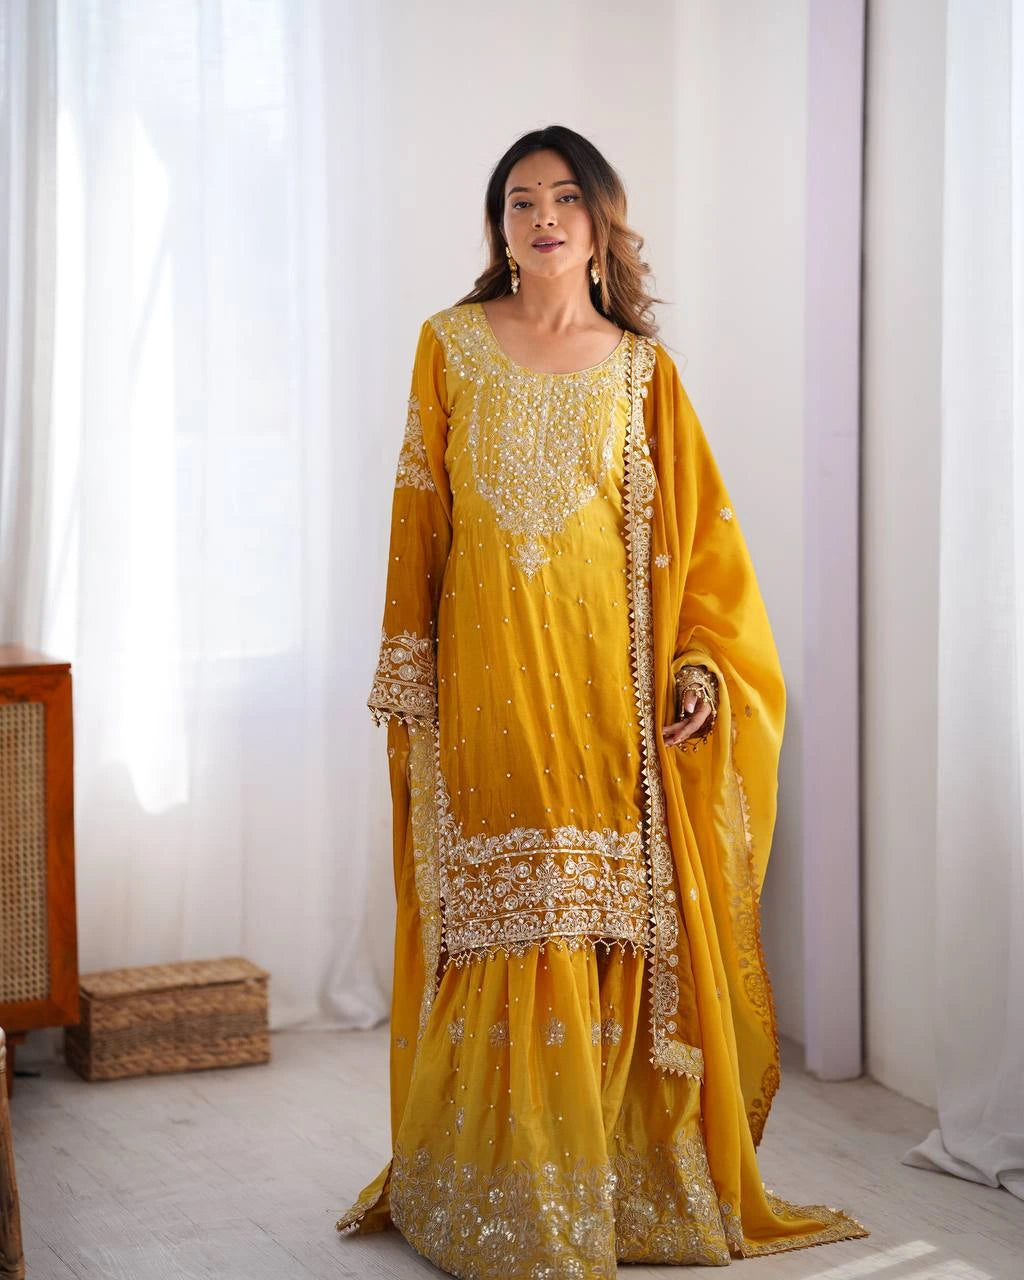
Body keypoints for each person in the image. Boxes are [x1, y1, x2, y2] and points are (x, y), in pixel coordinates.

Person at [336, 124, 868, 1276]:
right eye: (519, 201)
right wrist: (407, 676)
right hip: (483, 679)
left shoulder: (642, 368)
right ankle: (498, 1187)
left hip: (604, 695)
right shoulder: (449, 345)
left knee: (606, 910)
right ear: (500, 227)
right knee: (505, 909)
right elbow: (418, 517)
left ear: (598, 222)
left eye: (563, 199)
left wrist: (696, 669)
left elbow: (702, 549)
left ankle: (614, 1185)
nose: (540, 218)